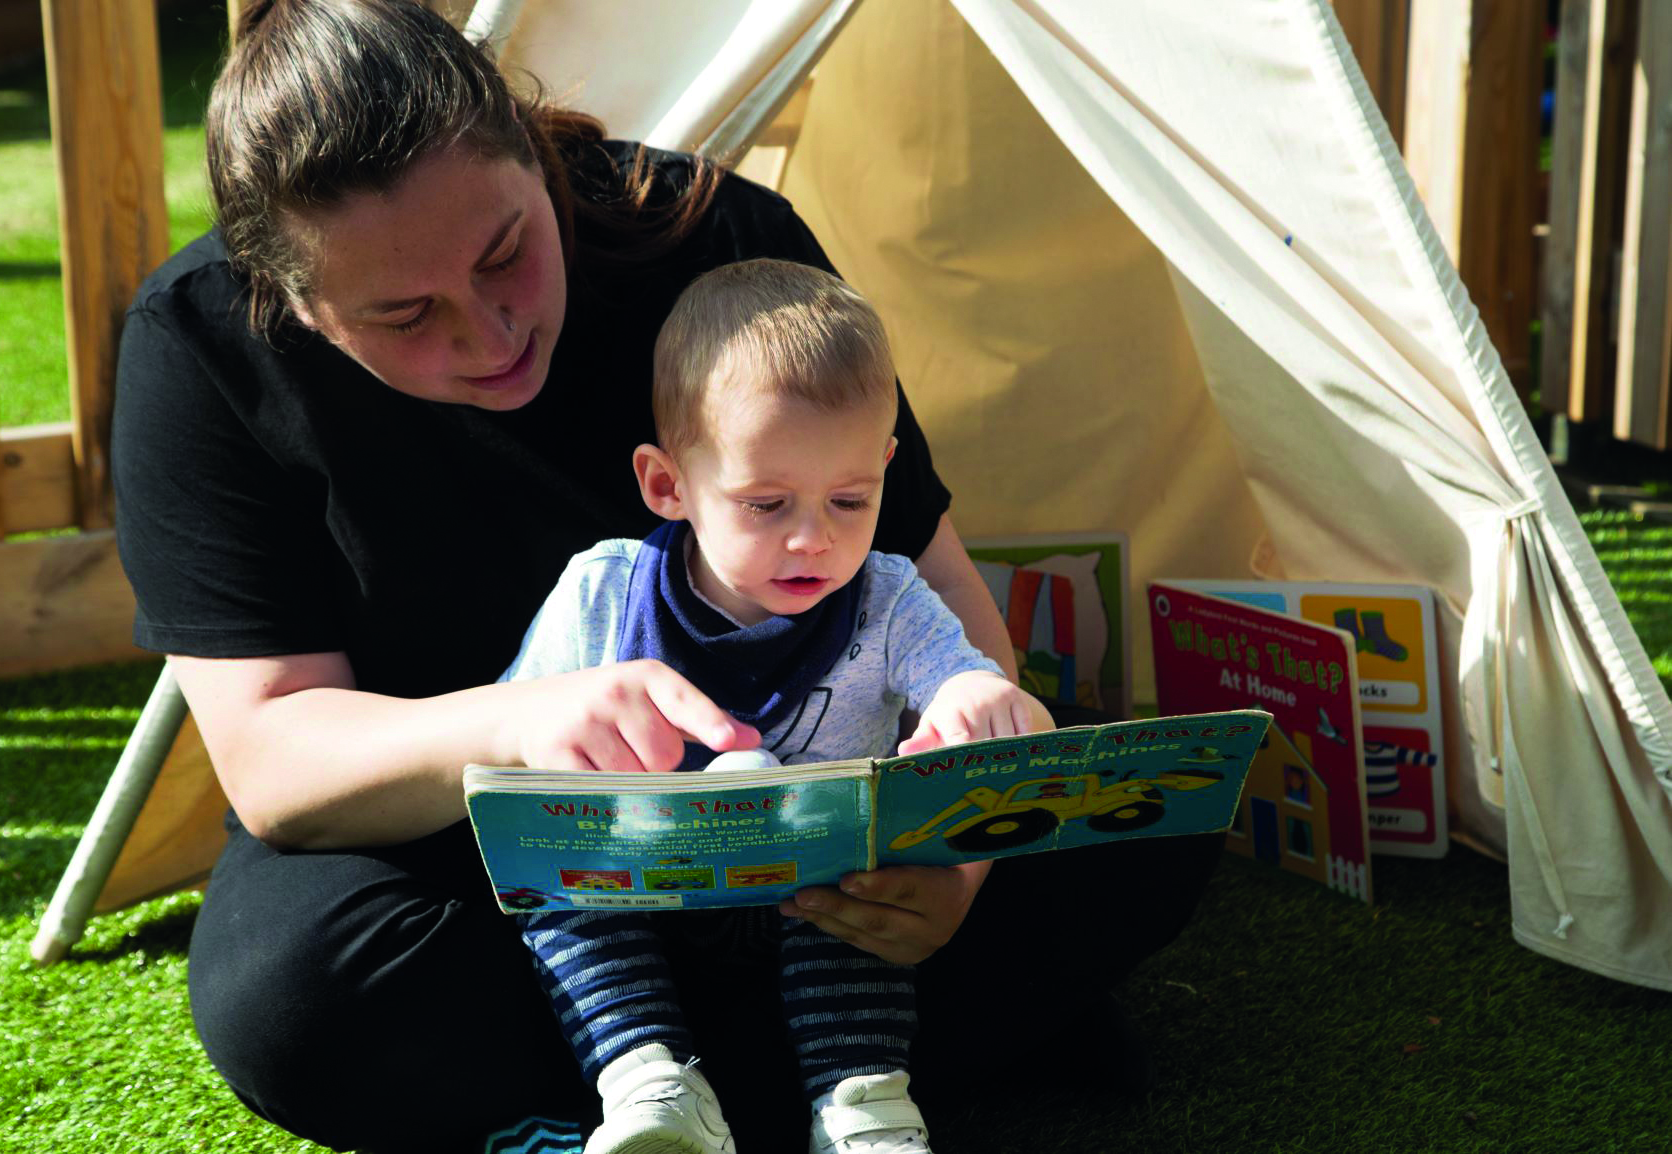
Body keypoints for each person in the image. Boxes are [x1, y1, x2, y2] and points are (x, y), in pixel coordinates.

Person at [111, 2, 1222, 1150]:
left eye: (506, 252)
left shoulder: (721, 241)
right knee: (292, 995)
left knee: (1146, 829)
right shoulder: (199, 346)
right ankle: (835, 1066)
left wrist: (959, 859)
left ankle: (656, 1094)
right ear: (296, 303)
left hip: (827, 827)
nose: (490, 331)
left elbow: (949, 612)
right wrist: (522, 724)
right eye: (404, 314)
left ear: (534, 156)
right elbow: (276, 759)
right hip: (491, 855)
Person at [503, 258, 1052, 1154]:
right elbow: (513, 749)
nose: (814, 537)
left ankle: (863, 1103)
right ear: (665, 485)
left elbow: (965, 679)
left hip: (815, 907)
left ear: (885, 467)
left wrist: (981, 700)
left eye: (850, 498)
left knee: (867, 881)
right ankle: (650, 1087)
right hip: (645, 903)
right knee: (559, 895)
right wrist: (559, 750)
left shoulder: (889, 597)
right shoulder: (601, 595)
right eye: (765, 504)